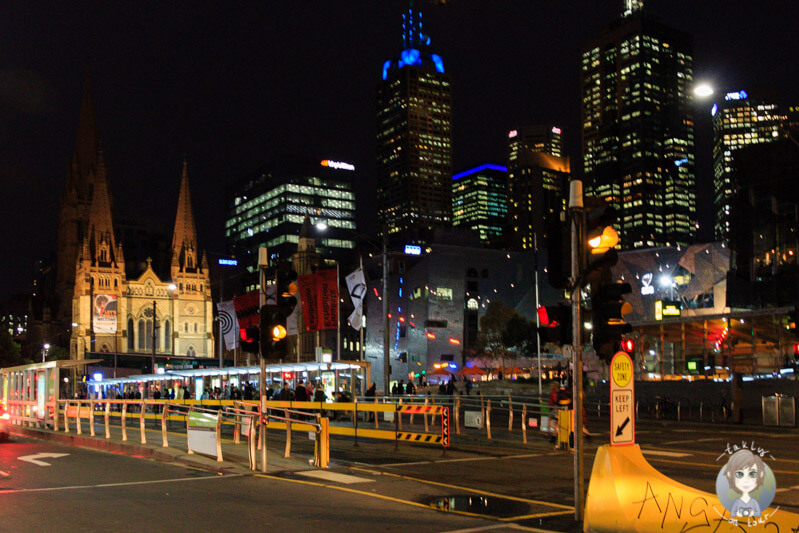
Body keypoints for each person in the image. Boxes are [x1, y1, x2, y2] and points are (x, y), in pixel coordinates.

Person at [724, 449, 766, 517]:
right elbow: (732, 513)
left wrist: (752, 513)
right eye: (739, 474)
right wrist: (738, 514)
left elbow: (758, 513)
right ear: (730, 475)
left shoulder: (753, 502)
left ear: (760, 474)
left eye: (752, 474)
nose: (746, 480)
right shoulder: (737, 502)